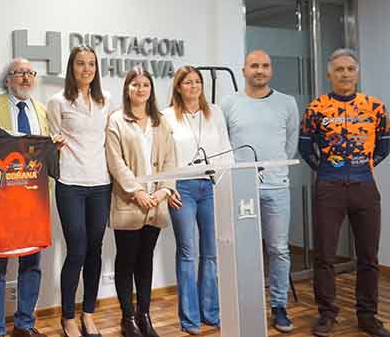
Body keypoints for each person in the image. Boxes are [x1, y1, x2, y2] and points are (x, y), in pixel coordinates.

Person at [299, 49, 390, 337]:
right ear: (330, 74)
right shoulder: (317, 107)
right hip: (329, 186)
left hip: (364, 186)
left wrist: (365, 165)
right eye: (339, 69)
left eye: (350, 69)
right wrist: (324, 169)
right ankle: (327, 314)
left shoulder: (375, 106)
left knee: (368, 256)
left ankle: (367, 315)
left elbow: (385, 144)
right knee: (324, 254)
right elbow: (304, 146)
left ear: (357, 72)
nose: (345, 74)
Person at [0, 58, 57, 337]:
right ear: (7, 78)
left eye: (30, 73)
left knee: (32, 265)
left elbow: (45, 155)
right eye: (19, 73)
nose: (25, 79)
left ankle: (24, 324)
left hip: (34, 203)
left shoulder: (43, 111)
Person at [221, 49, 300, 333]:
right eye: (254, 65)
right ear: (243, 70)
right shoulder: (228, 103)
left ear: (271, 70)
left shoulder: (287, 103)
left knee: (278, 249)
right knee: (244, 250)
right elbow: (224, 144)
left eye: (265, 65)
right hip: (241, 188)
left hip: (277, 186)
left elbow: (290, 144)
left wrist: (275, 168)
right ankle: (246, 303)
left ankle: (279, 306)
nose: (260, 70)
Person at [105, 68, 178, 337]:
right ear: (127, 89)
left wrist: (164, 192)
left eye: (145, 84)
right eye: (135, 84)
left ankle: (144, 315)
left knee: (145, 259)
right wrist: (137, 192)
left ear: (151, 89)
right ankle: (128, 318)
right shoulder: (117, 120)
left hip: (156, 202)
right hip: (130, 201)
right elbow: (116, 162)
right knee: (126, 259)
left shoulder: (161, 121)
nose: (140, 89)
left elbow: (171, 159)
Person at [46, 45, 111, 337]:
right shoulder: (57, 101)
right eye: (81, 64)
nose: (86, 69)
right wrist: (54, 144)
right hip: (70, 183)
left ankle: (88, 314)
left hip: (101, 183)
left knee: (95, 250)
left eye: (91, 64)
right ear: (71, 68)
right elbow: (52, 140)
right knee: (77, 250)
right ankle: (68, 317)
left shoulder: (106, 100)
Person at [162, 65, 232, 335]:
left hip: (211, 185)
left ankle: (211, 313)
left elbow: (226, 150)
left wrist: (226, 186)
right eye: (187, 82)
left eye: (197, 82)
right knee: (188, 253)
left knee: (212, 253)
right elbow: (162, 154)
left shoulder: (214, 112)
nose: (193, 86)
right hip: (183, 188)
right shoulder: (167, 116)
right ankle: (189, 319)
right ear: (178, 87)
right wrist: (167, 186)